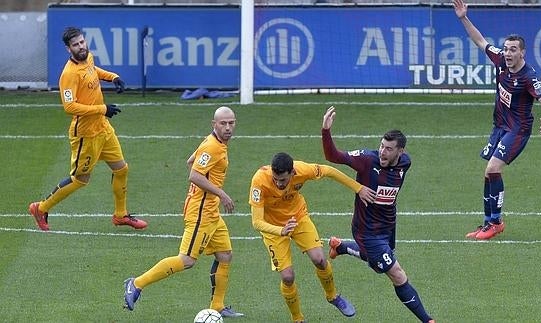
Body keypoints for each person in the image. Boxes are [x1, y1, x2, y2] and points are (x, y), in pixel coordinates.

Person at [123, 106, 243, 318]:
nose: (227, 127)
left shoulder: (215, 143)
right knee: (187, 260)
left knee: (224, 255)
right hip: (200, 212)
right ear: (213, 124)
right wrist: (222, 194)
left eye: (231, 123)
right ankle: (136, 283)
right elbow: (194, 174)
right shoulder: (212, 147)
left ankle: (217, 305)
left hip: (211, 211)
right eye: (223, 123)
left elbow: (192, 160)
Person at [322, 106, 435, 323]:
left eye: (389, 149)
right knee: (397, 274)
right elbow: (333, 156)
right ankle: (427, 320)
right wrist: (326, 131)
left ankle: (341, 246)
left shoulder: (405, 163)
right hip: (367, 231)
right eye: (381, 146)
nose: (383, 152)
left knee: (377, 264)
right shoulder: (366, 159)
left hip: (388, 226)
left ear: (400, 152)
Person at [453, 0, 541, 240]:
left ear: (522, 53)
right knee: (488, 174)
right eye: (506, 49)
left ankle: (496, 223)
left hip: (518, 130)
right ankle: (488, 222)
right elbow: (480, 41)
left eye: (512, 50)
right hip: (500, 126)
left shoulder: (528, 76)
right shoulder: (499, 60)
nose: (507, 53)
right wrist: (463, 18)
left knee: (493, 168)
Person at [28, 26, 146, 231]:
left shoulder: (88, 58)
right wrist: (103, 108)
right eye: (76, 45)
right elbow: (70, 106)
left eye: (82, 42)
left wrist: (112, 77)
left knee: (121, 169)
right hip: (85, 135)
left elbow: (94, 71)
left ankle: (120, 215)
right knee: (80, 180)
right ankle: (41, 207)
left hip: (103, 128)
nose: (81, 47)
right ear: (68, 49)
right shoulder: (69, 74)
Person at [249, 152, 375, 323]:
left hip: (298, 218)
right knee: (287, 277)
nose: (279, 184)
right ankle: (297, 319)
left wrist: (358, 188)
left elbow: (329, 170)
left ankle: (333, 296)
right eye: (275, 179)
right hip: (274, 229)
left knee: (320, 260)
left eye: (283, 180)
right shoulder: (259, 181)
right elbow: (256, 222)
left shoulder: (303, 170)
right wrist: (281, 231)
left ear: (292, 173)